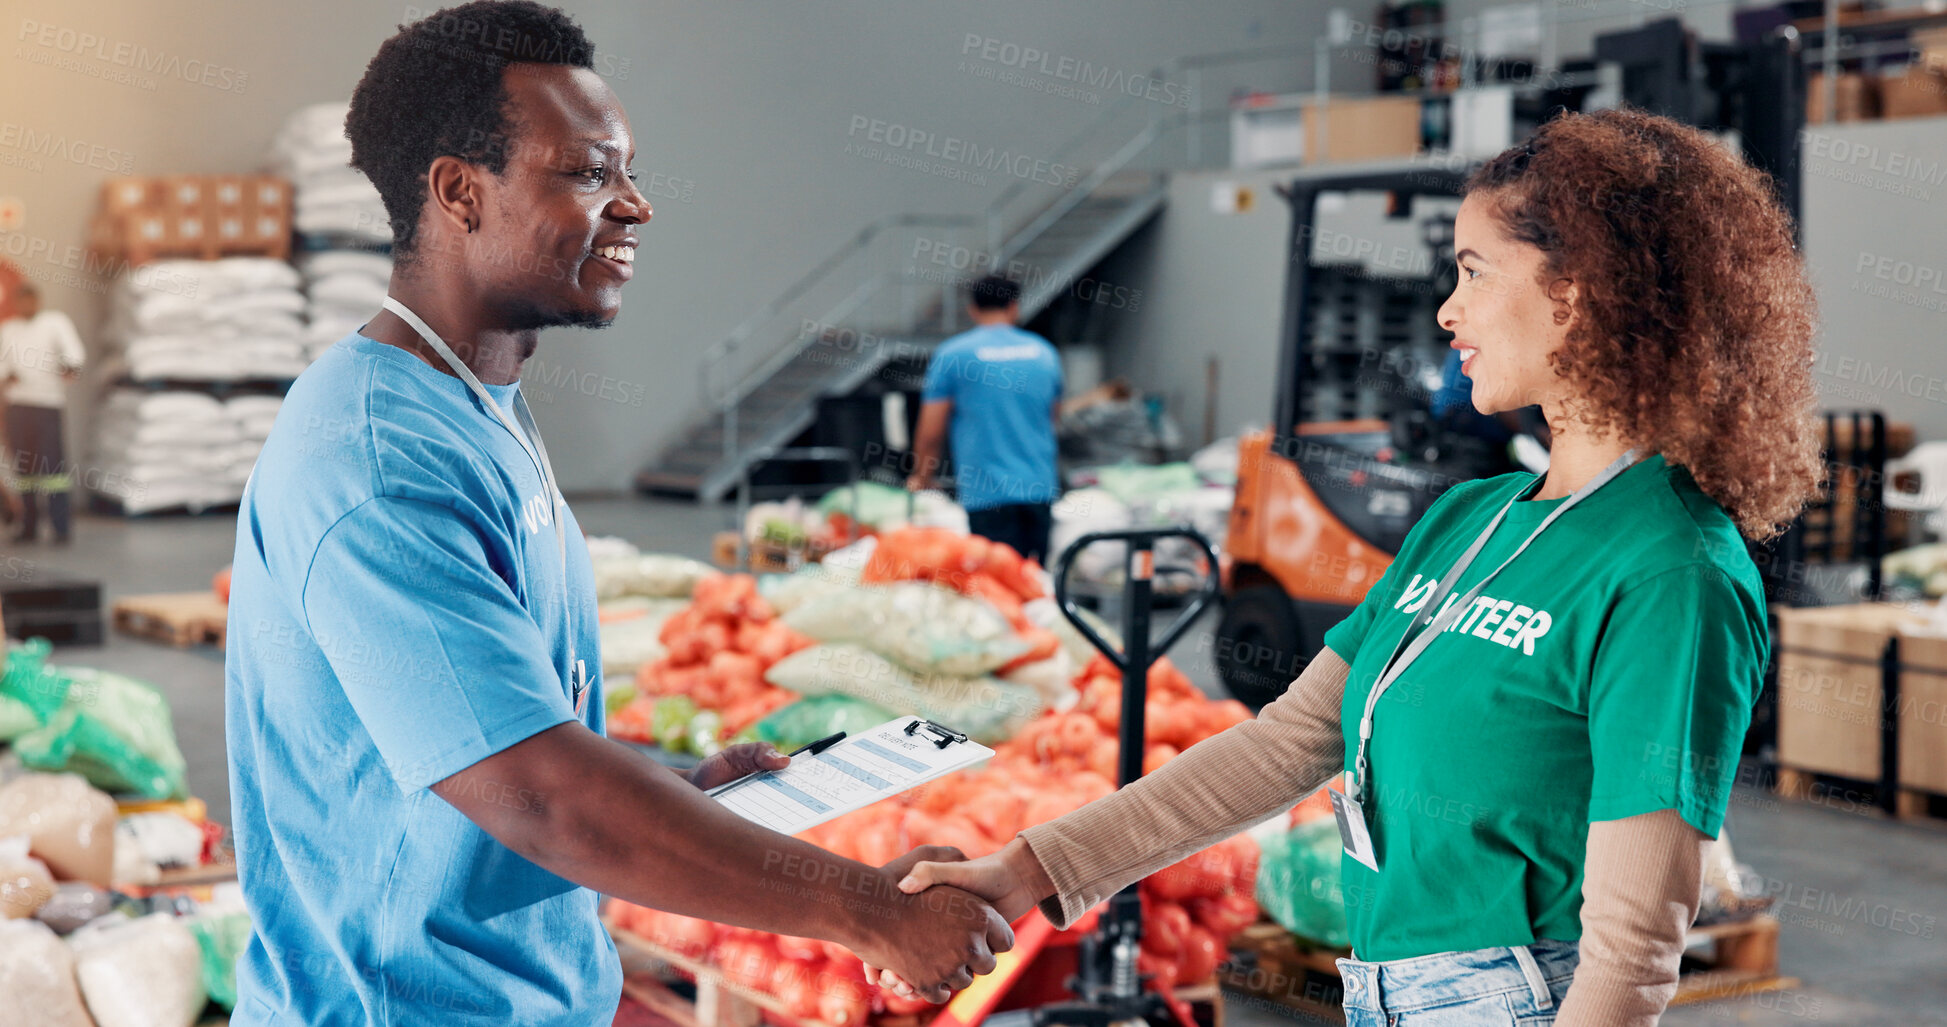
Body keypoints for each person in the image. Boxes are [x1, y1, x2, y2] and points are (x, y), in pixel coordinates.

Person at [883, 107, 1823, 1026]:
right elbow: (1284, 742)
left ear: (1576, 293)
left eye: (1471, 272)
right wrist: (1026, 870)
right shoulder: (1469, 518)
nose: (1448, 310)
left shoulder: (1670, 570)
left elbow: (1631, 950)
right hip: (1382, 989)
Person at [224, 5, 1009, 1024]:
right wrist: (869, 909)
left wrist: (676, 786)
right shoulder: (376, 455)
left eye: (627, 171)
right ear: (460, 191)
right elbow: (541, 795)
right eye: (589, 174)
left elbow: (472, 740)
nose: (636, 205)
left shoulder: (478, 406)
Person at [907, 275, 1062, 562]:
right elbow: (1053, 417)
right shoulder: (1045, 353)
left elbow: (931, 431)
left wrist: (922, 476)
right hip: (1038, 488)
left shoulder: (954, 355)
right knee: (1033, 584)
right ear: (1014, 307)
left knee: (997, 589)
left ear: (973, 309)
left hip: (987, 494)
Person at [0, 282, 86, 543]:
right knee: (25, 468)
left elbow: (74, 354)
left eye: (31, 300)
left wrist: (70, 367)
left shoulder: (55, 323)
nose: (27, 306)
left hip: (48, 404)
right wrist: (6, 376)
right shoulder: (8, 329)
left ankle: (60, 527)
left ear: (38, 300)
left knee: (53, 468)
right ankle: (28, 526)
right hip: (19, 406)